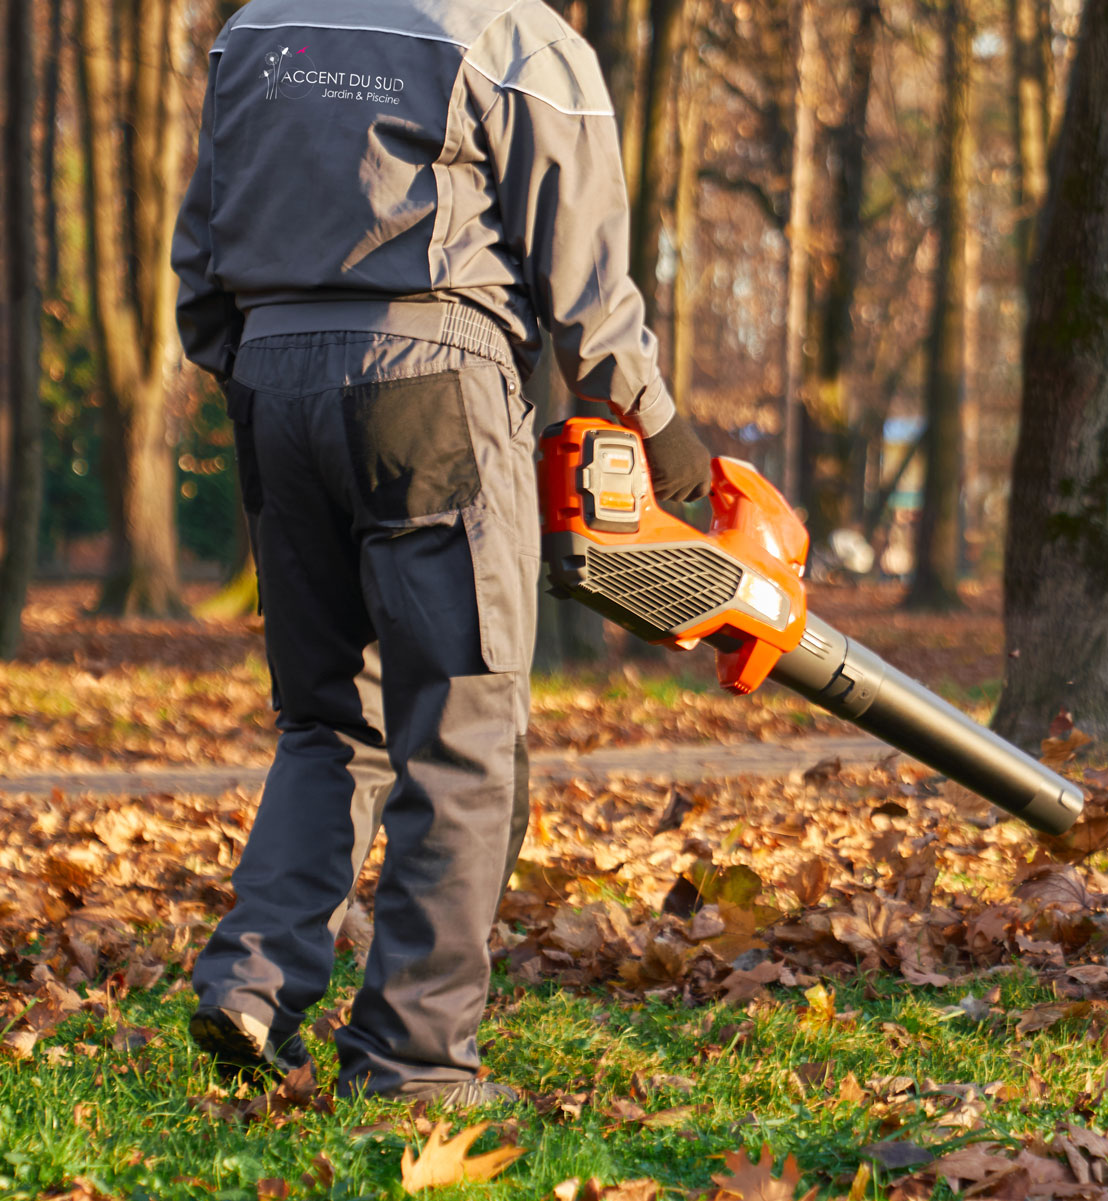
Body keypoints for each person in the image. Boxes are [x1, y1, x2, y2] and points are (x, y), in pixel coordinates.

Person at [171, 0, 710, 1108]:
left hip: (270, 377)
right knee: (463, 731)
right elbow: (586, 274)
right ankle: (415, 1061)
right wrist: (654, 421)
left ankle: (255, 981)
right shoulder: (514, 33)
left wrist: (254, 368)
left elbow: (201, 249)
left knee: (327, 718)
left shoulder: (256, 28)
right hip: (430, 375)